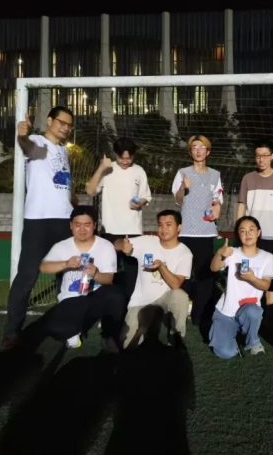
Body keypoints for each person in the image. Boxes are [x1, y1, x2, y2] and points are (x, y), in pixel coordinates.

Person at [3, 106, 76, 350]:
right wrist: (22, 134)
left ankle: (66, 326)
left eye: (69, 125)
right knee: (27, 277)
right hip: (39, 221)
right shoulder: (36, 142)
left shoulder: (63, 151)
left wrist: (73, 203)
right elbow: (25, 146)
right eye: (61, 122)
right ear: (49, 121)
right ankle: (12, 332)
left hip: (64, 221)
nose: (65, 127)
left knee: (67, 275)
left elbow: (63, 184)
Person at [21, 205, 125, 352]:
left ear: (94, 226)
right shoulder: (62, 246)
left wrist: (95, 274)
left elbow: (108, 279)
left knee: (116, 295)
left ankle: (108, 336)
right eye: (78, 224)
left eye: (87, 224)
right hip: (71, 299)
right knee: (58, 330)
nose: (82, 229)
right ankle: (77, 326)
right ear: (71, 225)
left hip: (96, 297)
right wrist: (65, 264)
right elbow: (43, 267)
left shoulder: (105, 246)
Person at [86, 137, 152, 301]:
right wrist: (101, 168)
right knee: (110, 274)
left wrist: (139, 202)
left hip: (133, 231)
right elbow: (90, 191)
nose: (125, 161)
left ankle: (130, 308)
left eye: (128, 158)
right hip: (110, 231)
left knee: (131, 276)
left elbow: (145, 196)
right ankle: (108, 307)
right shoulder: (108, 169)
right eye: (121, 158)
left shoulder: (139, 171)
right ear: (115, 154)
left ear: (134, 156)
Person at [119, 210, 193, 349]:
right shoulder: (148, 241)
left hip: (164, 301)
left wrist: (161, 266)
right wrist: (123, 245)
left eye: (168, 224)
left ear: (179, 227)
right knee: (127, 346)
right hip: (141, 302)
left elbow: (176, 284)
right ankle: (149, 326)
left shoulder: (185, 253)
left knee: (180, 296)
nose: (163, 229)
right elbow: (119, 243)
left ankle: (176, 338)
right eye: (160, 225)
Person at [171, 135, 224, 329]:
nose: (198, 150)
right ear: (190, 151)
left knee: (204, 276)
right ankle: (181, 309)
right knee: (184, 273)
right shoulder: (182, 173)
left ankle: (199, 314)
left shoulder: (215, 175)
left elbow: (218, 201)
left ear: (208, 151)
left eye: (202, 147)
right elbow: (177, 199)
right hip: (186, 232)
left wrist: (216, 210)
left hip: (206, 233)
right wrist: (183, 188)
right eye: (194, 147)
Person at [209, 216, 273, 358]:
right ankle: (231, 333)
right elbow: (214, 268)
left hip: (249, 308)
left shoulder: (267, 257)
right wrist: (219, 254)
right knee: (225, 353)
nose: (248, 234)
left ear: (258, 232)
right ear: (238, 235)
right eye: (243, 231)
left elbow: (266, 285)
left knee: (253, 311)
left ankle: (253, 342)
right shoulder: (232, 252)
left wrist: (252, 278)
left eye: (251, 230)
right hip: (227, 310)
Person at [237, 140, 273, 296]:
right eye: (258, 156)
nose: (261, 159)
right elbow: (241, 204)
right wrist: (239, 229)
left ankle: (270, 309)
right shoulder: (247, 178)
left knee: (271, 277)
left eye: (265, 155)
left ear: (272, 156)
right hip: (252, 237)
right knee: (247, 274)